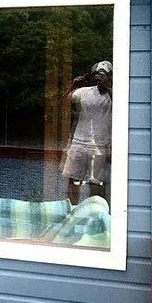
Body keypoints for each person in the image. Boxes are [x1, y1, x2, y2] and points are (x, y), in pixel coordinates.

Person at [63, 61, 112, 203]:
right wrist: (73, 85)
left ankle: (94, 214)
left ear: (110, 77)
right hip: (78, 143)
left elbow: (121, 109)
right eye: (97, 74)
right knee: (73, 182)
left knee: (96, 184)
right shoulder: (85, 92)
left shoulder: (114, 94)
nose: (100, 77)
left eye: (104, 75)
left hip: (100, 146)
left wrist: (108, 87)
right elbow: (62, 104)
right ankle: (71, 212)